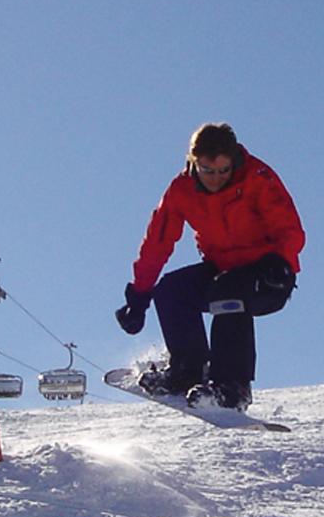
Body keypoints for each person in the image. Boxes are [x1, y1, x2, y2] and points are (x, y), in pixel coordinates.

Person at [115, 122, 305, 411]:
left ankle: (232, 387)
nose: (216, 179)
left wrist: (281, 261)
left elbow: (289, 227)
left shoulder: (256, 177)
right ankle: (187, 371)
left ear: (234, 162)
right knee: (171, 290)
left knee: (227, 288)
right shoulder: (181, 190)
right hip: (222, 269)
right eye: (208, 170)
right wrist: (139, 297)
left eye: (223, 171)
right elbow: (157, 243)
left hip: (268, 275)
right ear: (194, 163)